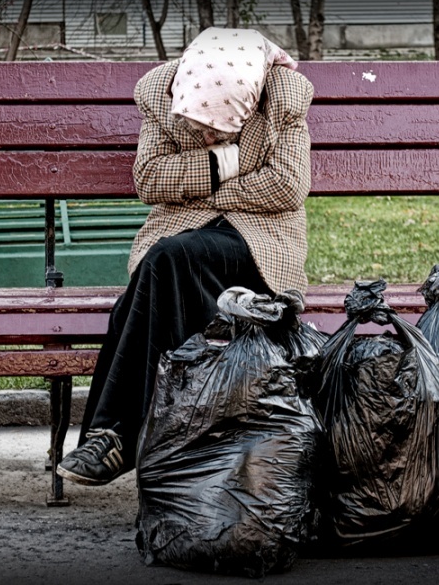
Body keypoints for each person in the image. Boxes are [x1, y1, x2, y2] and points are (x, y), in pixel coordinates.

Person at [56, 27, 314, 486]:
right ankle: (123, 439)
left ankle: (113, 435)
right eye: (196, 124)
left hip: (259, 242)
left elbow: (287, 186)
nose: (202, 132)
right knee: (157, 277)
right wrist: (225, 164)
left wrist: (198, 188)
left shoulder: (283, 99)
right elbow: (150, 180)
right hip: (180, 237)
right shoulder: (161, 94)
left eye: (216, 128)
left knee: (164, 265)